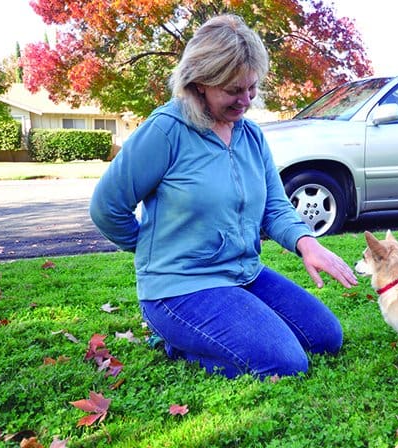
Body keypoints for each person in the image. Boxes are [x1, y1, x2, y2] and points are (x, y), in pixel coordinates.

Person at [89, 14, 357, 379]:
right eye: (233, 91)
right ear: (199, 84)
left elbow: (275, 207)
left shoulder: (251, 136)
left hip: (243, 273)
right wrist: (151, 251)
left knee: (326, 337)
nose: (246, 100)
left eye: (252, 88)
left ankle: (221, 327)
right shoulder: (165, 131)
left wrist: (307, 243)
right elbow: (107, 207)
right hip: (180, 287)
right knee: (286, 363)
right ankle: (176, 341)